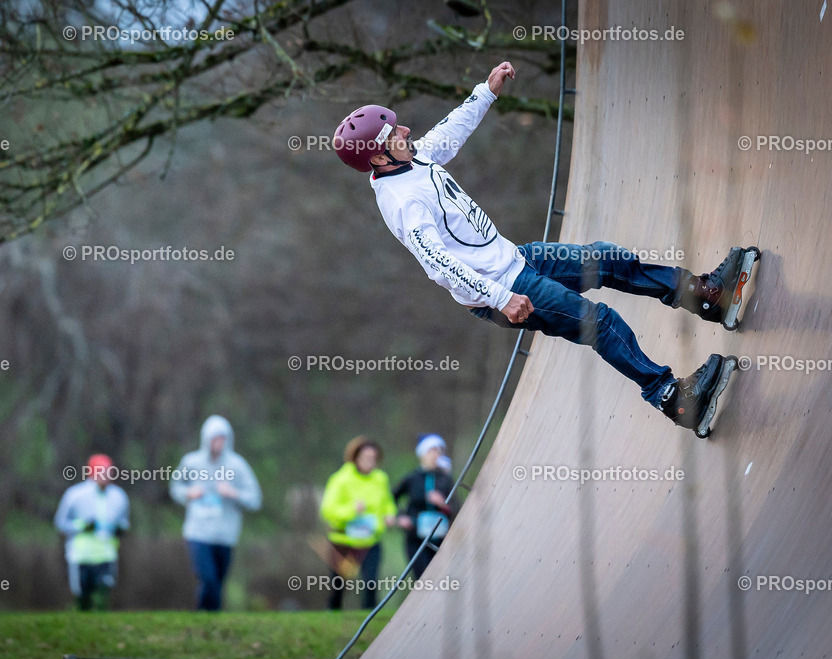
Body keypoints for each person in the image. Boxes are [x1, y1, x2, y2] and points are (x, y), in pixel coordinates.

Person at [332, 61, 756, 433]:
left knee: (606, 260)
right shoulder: (402, 203)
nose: (405, 130)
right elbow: (438, 265)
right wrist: (501, 299)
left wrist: (486, 91)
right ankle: (671, 396)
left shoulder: (411, 157)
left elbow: (449, 135)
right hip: (502, 289)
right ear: (376, 156)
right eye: (394, 132)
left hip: (516, 258)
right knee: (600, 322)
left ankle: (705, 296)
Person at [170, 415, 262, 611]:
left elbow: (255, 499)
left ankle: (210, 621)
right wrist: (188, 493)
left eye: (222, 438)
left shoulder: (237, 466)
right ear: (206, 439)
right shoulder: (191, 462)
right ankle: (206, 616)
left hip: (225, 535)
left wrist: (233, 493)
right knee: (208, 578)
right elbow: (175, 488)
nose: (218, 443)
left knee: (218, 583)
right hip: (198, 532)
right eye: (214, 438)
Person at [319, 436, 397, 610]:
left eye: (374, 458)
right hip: (344, 541)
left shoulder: (380, 479)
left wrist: (390, 514)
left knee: (371, 582)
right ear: (355, 457)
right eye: (366, 458)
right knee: (338, 585)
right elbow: (328, 510)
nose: (370, 462)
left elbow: (388, 502)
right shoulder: (340, 479)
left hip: (371, 540)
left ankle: (370, 619)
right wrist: (352, 510)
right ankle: (332, 617)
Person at [54, 454, 130, 611]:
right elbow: (60, 523)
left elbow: (125, 522)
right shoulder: (75, 495)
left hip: (106, 554)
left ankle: (103, 624)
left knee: (103, 591)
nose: (106, 475)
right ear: (92, 472)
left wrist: (120, 529)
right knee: (83, 596)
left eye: (109, 471)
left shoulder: (119, 496)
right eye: (102, 471)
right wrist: (82, 527)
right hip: (81, 555)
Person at [393, 434, 457, 580]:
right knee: (422, 579)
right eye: (431, 451)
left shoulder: (445, 478)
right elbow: (390, 499)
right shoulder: (411, 478)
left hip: (441, 538)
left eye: (438, 451)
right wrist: (400, 517)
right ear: (422, 454)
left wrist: (443, 505)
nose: (435, 455)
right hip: (416, 537)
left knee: (442, 579)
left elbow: (456, 507)